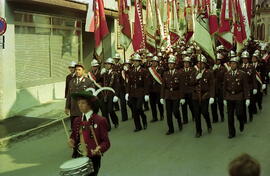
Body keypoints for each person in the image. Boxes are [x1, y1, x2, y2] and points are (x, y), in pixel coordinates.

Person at [68, 90, 110, 176]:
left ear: (90, 105)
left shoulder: (100, 120)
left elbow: (106, 142)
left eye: (83, 103)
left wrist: (100, 148)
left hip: (93, 158)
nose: (80, 105)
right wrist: (71, 140)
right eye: (79, 103)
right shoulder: (77, 120)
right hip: (79, 157)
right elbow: (73, 136)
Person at [223, 56, 249, 138]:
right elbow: (224, 87)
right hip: (229, 96)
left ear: (237, 65)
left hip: (238, 96)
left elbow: (245, 87)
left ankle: (241, 121)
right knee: (230, 116)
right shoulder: (226, 74)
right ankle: (231, 133)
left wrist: (247, 98)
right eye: (231, 64)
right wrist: (224, 98)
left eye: (234, 63)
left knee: (239, 113)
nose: (232, 65)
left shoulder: (242, 74)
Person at [190, 55, 214, 138]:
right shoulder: (194, 72)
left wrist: (211, 96)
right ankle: (198, 131)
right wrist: (196, 78)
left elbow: (211, 85)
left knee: (204, 112)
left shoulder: (209, 73)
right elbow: (191, 83)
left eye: (202, 63)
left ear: (204, 64)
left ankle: (208, 123)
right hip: (196, 96)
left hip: (205, 95)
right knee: (197, 114)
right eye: (198, 63)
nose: (200, 64)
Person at [160, 55, 185, 135]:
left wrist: (182, 97)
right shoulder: (165, 73)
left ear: (174, 65)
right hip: (168, 95)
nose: (170, 65)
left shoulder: (179, 73)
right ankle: (171, 129)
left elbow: (181, 86)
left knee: (175, 111)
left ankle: (179, 120)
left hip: (176, 94)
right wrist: (162, 97)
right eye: (169, 63)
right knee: (168, 113)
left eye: (172, 63)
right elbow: (163, 86)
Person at [126, 53, 149, 132]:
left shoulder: (144, 71)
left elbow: (146, 84)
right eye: (134, 61)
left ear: (140, 62)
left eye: (136, 61)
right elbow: (129, 83)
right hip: (133, 92)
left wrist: (146, 94)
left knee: (139, 108)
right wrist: (127, 92)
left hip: (140, 92)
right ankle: (138, 126)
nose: (135, 62)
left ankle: (143, 117)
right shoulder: (131, 71)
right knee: (134, 110)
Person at [99, 58, 119, 131]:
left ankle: (115, 121)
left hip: (111, 95)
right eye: (106, 64)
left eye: (108, 64)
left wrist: (116, 95)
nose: (107, 65)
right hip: (104, 94)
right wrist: (100, 74)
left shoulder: (115, 74)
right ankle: (107, 126)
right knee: (104, 111)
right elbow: (98, 81)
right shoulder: (104, 74)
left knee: (110, 110)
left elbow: (117, 85)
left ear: (112, 65)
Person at [148, 56, 164, 122]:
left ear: (157, 62)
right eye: (152, 62)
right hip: (151, 89)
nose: (153, 63)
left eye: (155, 62)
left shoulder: (161, 69)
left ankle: (161, 115)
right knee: (152, 104)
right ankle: (154, 117)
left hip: (158, 89)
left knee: (159, 103)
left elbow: (163, 80)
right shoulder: (149, 69)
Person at [211, 53, 227, 123]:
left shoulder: (223, 68)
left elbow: (222, 77)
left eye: (218, 60)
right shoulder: (212, 68)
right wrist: (213, 70)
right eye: (216, 60)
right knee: (213, 104)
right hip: (213, 88)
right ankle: (215, 118)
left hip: (220, 88)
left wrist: (216, 70)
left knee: (220, 104)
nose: (217, 61)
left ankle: (222, 116)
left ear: (220, 61)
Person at [179, 56, 195, 124]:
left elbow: (194, 81)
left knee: (192, 105)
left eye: (187, 63)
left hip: (190, 91)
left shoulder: (193, 70)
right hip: (183, 91)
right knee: (183, 106)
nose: (186, 64)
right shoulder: (180, 71)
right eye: (185, 63)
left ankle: (194, 115)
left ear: (189, 63)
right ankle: (185, 120)